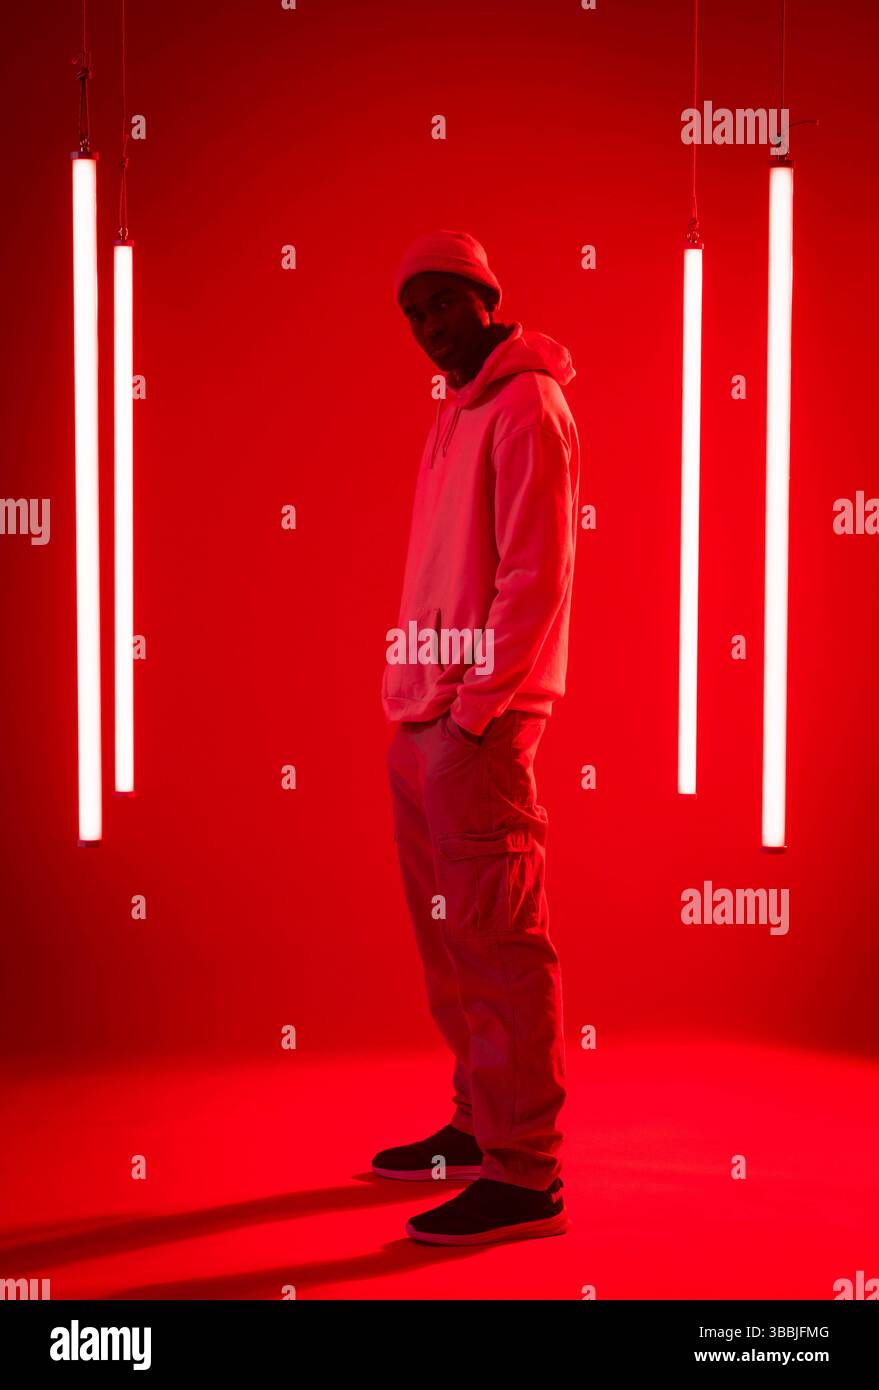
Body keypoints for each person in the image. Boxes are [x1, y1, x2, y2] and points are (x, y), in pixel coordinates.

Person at [376, 230, 581, 1246]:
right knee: (452, 944)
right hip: (422, 713)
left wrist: (476, 708)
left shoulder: (528, 404)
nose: (427, 327)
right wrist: (415, 697)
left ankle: (526, 1173)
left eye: (442, 304)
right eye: (413, 313)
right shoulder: (455, 409)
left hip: (476, 724)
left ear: (485, 297)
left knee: (500, 947)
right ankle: (477, 1121)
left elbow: (536, 574)